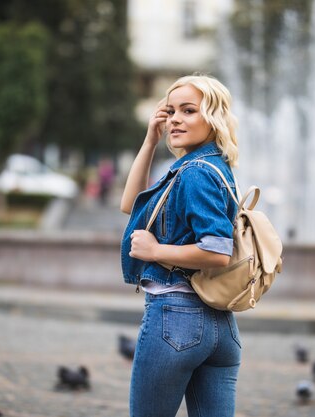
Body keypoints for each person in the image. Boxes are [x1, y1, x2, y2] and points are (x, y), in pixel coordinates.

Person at [120, 74, 241, 417]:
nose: (175, 119)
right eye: (170, 111)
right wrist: (149, 142)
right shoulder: (209, 166)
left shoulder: (195, 173)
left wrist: (155, 251)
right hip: (220, 327)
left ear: (213, 118)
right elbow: (131, 205)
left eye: (189, 110)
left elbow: (217, 250)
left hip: (176, 318)